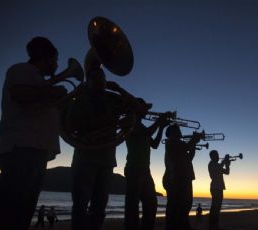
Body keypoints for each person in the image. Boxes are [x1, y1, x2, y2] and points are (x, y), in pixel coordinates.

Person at [0, 37, 67, 230]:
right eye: (56, 59)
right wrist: (53, 91)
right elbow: (23, 96)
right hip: (22, 148)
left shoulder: (38, 80)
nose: (57, 64)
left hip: (34, 151)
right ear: (47, 57)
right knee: (10, 211)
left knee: (22, 213)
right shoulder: (21, 70)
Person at [66, 68, 135, 230]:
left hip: (107, 160)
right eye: (95, 78)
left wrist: (118, 89)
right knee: (80, 207)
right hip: (85, 159)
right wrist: (103, 122)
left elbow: (138, 108)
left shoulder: (112, 100)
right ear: (88, 82)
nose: (99, 81)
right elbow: (71, 125)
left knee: (99, 207)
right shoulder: (80, 100)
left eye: (102, 78)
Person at [124, 99, 169, 230]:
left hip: (145, 169)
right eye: (144, 108)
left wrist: (161, 127)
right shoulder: (129, 122)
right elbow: (145, 134)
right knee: (132, 206)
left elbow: (154, 144)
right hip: (134, 168)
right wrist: (158, 122)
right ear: (137, 109)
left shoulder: (143, 126)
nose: (147, 111)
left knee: (151, 204)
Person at [163, 124, 201, 230]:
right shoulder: (171, 142)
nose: (180, 132)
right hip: (175, 178)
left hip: (184, 177)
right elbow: (186, 147)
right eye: (178, 130)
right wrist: (193, 140)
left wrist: (193, 144)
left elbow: (189, 157)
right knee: (176, 206)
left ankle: (183, 225)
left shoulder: (179, 144)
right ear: (172, 133)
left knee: (186, 204)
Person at [208, 150, 230, 229]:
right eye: (216, 155)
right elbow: (217, 169)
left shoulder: (217, 164)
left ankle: (215, 224)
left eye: (218, 155)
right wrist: (224, 162)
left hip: (219, 187)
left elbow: (227, 172)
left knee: (217, 207)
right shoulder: (211, 164)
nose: (218, 156)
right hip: (215, 187)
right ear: (212, 156)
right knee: (215, 207)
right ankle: (212, 225)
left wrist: (227, 165)